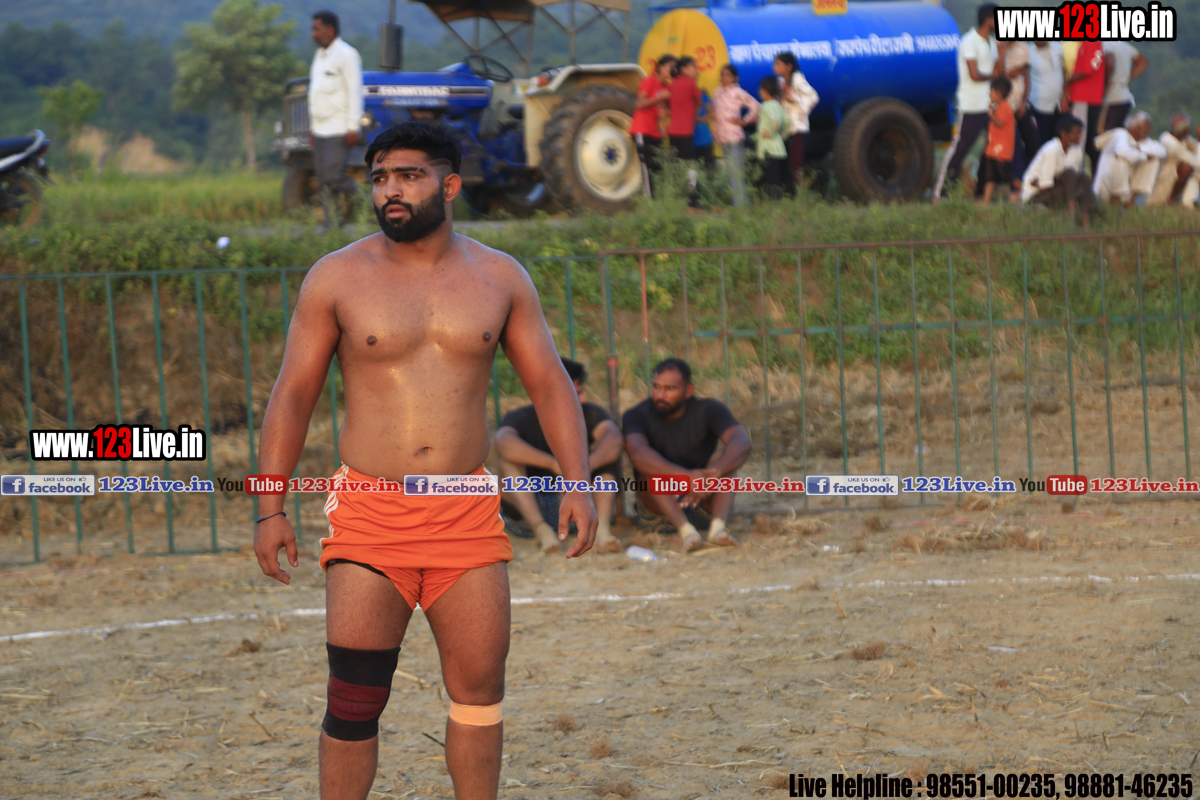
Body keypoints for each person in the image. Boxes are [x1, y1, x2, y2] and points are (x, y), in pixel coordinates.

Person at [252, 121, 598, 800]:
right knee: (355, 697)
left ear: (450, 185)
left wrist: (578, 485)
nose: (390, 190)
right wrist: (270, 508)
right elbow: (292, 396)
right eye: (380, 177)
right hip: (370, 512)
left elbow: (551, 385)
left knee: (480, 690)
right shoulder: (336, 277)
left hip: (465, 511)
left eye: (408, 175)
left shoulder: (500, 276)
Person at [622, 358, 752, 554]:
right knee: (649, 468)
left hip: (704, 505)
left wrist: (713, 475)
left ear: (688, 390)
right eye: (656, 387)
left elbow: (742, 442)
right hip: (659, 515)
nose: (660, 395)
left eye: (670, 388)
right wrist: (685, 478)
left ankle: (717, 529)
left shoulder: (710, 409)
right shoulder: (636, 414)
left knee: (724, 460)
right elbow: (637, 453)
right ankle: (687, 533)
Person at [496, 357, 624, 554]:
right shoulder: (520, 417)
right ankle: (542, 531)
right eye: (576, 393)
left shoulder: (589, 413)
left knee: (605, 466)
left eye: (581, 392)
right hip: (529, 512)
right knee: (507, 464)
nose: (582, 399)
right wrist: (555, 464)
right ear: (553, 390)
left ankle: (602, 531)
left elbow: (613, 439)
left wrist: (584, 468)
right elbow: (503, 443)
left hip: (578, 509)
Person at [933, 3, 1003, 199]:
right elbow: (974, 74)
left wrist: (1002, 51)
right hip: (971, 105)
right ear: (988, 20)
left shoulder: (991, 43)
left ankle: (981, 191)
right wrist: (994, 76)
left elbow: (998, 71)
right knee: (960, 150)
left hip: (988, 105)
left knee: (993, 147)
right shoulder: (969, 41)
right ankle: (940, 192)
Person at [309, 10, 364, 230]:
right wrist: (312, 129)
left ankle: (373, 200)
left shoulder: (347, 55)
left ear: (330, 30)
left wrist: (353, 126)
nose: (313, 34)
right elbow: (316, 94)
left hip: (339, 128)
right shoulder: (319, 56)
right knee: (324, 182)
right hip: (320, 129)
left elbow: (355, 92)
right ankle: (332, 227)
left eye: (316, 29)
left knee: (334, 177)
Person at [1022, 114, 1096, 227]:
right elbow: (1045, 186)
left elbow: (1075, 180)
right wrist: (1038, 184)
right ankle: (1070, 219)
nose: (1080, 137)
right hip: (1036, 196)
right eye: (1076, 134)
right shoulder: (1052, 150)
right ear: (1063, 134)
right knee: (1069, 174)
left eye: (1080, 133)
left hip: (1056, 189)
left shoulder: (1076, 151)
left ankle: (1085, 221)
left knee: (1083, 177)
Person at [1093, 111, 1166, 207]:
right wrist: (1143, 156)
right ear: (1138, 128)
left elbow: (1162, 151)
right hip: (1105, 189)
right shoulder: (1120, 134)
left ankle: (1131, 202)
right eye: (1148, 127)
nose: (1150, 130)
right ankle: (1115, 203)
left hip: (1126, 190)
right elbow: (1121, 152)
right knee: (1121, 160)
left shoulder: (1141, 142)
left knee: (1153, 161)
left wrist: (1139, 148)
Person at [711, 64, 759, 208]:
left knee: (736, 170)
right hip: (722, 137)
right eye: (722, 75)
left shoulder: (738, 92)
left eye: (728, 76)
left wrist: (744, 121)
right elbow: (715, 113)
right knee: (730, 171)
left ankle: (741, 204)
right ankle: (738, 201)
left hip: (734, 136)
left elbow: (756, 106)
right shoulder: (717, 92)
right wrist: (715, 131)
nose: (724, 78)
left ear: (735, 78)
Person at [630, 56, 676, 198]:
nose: (673, 70)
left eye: (674, 68)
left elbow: (667, 110)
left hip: (656, 132)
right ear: (661, 67)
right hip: (642, 129)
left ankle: (659, 200)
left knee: (658, 167)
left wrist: (665, 120)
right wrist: (659, 98)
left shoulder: (666, 87)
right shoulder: (650, 80)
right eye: (670, 67)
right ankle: (650, 202)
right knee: (647, 166)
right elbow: (640, 103)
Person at [1000, 40, 1040, 199]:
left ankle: (1029, 179)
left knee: (1033, 141)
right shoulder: (997, 46)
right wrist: (1002, 54)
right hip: (1005, 106)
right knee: (1014, 144)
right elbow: (998, 76)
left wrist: (1024, 102)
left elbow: (1025, 75)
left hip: (1021, 103)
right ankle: (1016, 188)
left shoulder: (1022, 47)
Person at [773, 52, 819, 184]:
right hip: (785, 127)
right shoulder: (780, 82)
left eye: (778, 64)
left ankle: (797, 188)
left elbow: (813, 97)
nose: (774, 67)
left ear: (788, 66)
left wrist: (795, 99)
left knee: (795, 162)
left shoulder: (798, 79)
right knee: (785, 161)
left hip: (797, 126)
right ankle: (787, 188)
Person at [1064, 39, 1105, 174]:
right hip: (1085, 96)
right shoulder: (1084, 44)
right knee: (1086, 139)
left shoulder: (1092, 42)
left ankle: (1076, 172)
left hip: (1085, 96)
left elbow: (1087, 69)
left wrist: (1067, 82)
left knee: (1079, 136)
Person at [668, 56, 704, 207]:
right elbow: (700, 102)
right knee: (690, 168)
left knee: (677, 167)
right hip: (685, 133)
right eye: (693, 67)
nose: (696, 70)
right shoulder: (691, 83)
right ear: (683, 69)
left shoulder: (673, 84)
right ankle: (692, 203)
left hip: (673, 132)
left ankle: (678, 201)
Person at [1148, 113, 1200, 208]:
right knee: (1187, 168)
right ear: (1185, 130)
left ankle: (1189, 201)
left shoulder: (1181, 138)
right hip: (1166, 178)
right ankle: (1172, 199)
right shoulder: (1170, 143)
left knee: (1193, 171)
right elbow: (1197, 163)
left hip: (1172, 175)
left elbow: (1194, 145)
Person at [979, 77, 1015, 205]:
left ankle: (1023, 189)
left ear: (999, 94)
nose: (990, 95)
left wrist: (991, 115)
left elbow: (1000, 123)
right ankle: (986, 200)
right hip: (992, 151)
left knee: (1008, 176)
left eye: (991, 92)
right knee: (990, 177)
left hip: (1002, 152)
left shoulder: (1005, 107)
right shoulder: (999, 107)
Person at [755, 76, 792, 198]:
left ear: (765, 92)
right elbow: (788, 122)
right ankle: (780, 198)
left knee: (769, 177)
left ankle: (772, 200)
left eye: (760, 90)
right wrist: (781, 137)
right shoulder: (778, 105)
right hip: (779, 147)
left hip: (767, 148)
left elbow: (775, 120)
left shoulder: (765, 106)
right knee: (778, 176)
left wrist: (770, 134)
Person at [1100, 41, 1149, 134]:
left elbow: (1109, 63)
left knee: (1103, 132)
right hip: (1124, 95)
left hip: (1111, 95)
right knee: (1117, 133)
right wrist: (1128, 78)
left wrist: (1105, 83)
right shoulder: (1124, 45)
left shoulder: (1105, 44)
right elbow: (1143, 61)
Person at [1028, 41, 1065, 149]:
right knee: (1042, 142)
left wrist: (1065, 95)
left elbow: (1064, 71)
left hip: (1058, 104)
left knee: (1058, 141)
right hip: (1040, 104)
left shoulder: (1058, 48)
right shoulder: (1029, 52)